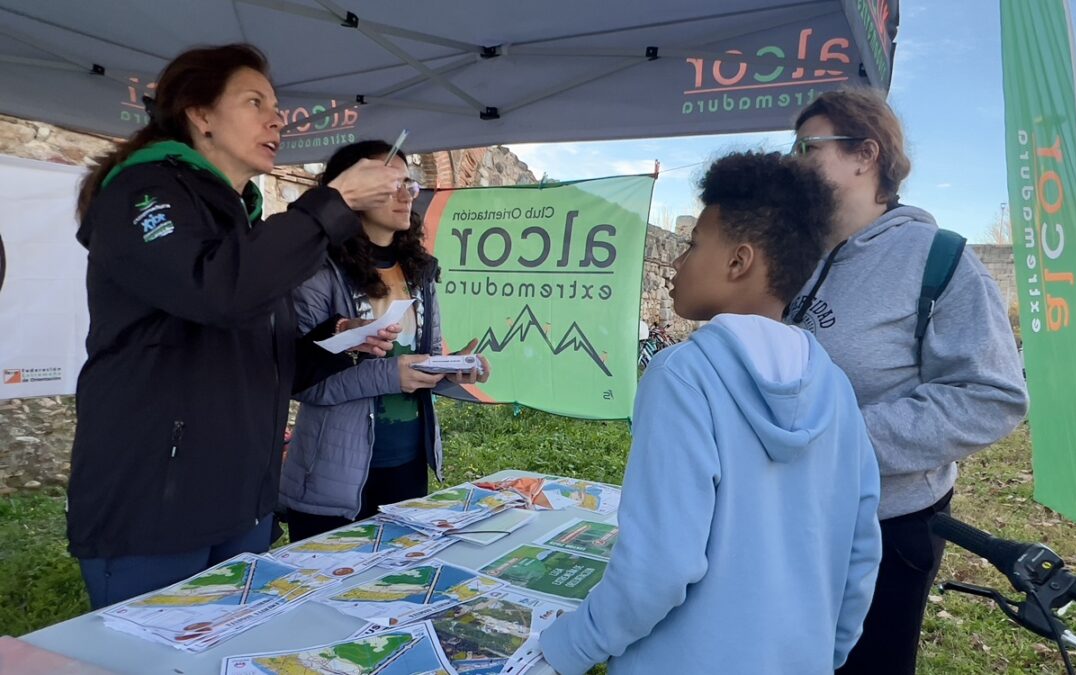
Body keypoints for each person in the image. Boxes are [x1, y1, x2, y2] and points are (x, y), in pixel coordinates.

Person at [67, 44, 405, 609]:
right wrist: (334, 201)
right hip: (155, 510)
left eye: (276, 106)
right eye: (255, 103)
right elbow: (216, 292)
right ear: (200, 114)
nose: (277, 119)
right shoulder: (140, 192)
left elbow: (260, 359)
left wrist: (337, 341)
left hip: (240, 503)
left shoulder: (243, 222)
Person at [539, 151, 882, 674]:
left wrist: (571, 649)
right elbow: (861, 553)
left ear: (738, 261)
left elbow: (659, 565)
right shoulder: (835, 386)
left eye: (694, 243)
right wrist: (823, 654)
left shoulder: (682, 375)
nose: (676, 262)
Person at [787, 89, 1029, 675]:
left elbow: (992, 395)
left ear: (865, 155)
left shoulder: (940, 260)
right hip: (788, 509)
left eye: (806, 147)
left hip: (886, 527)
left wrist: (839, 440)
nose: (792, 162)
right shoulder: (794, 252)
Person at [279, 140, 490, 542]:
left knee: (397, 591)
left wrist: (451, 369)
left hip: (409, 466)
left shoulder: (420, 269)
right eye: (388, 182)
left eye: (408, 183)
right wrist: (391, 375)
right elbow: (303, 383)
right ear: (350, 190)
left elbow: (418, 363)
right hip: (333, 479)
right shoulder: (319, 271)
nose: (405, 193)